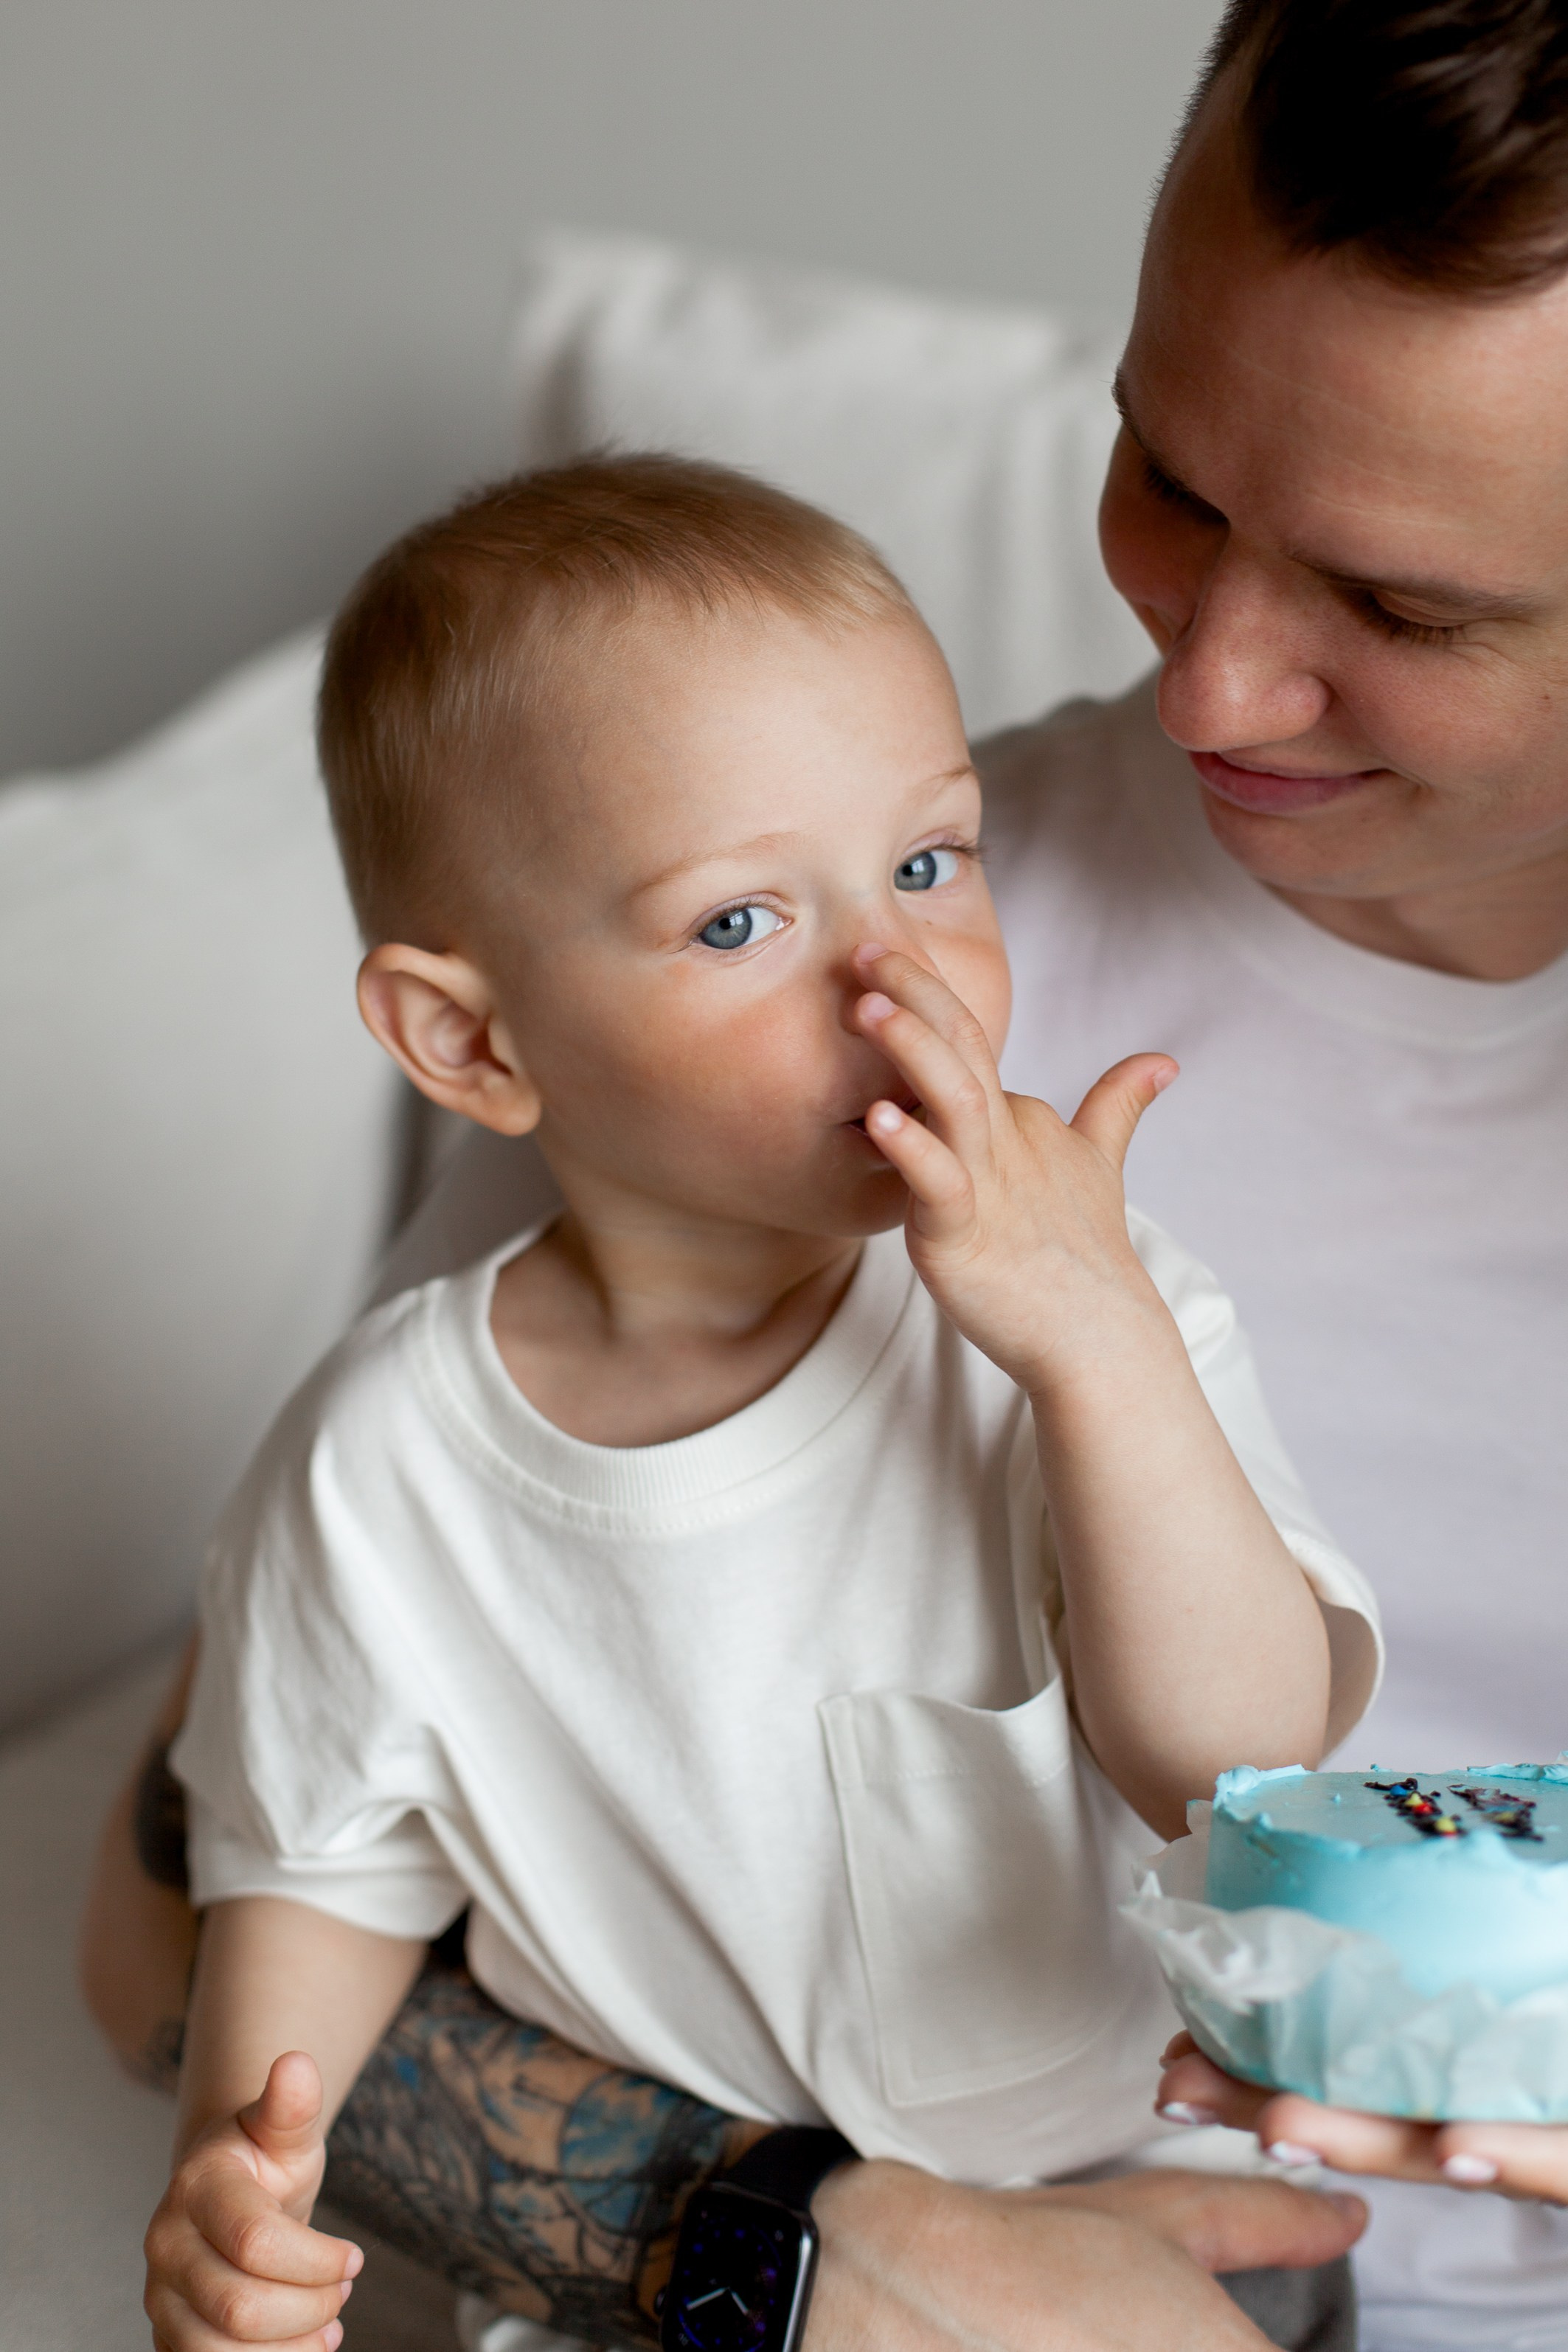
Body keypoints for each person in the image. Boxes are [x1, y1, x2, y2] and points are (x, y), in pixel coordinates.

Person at [83, 0, 1568, 2345]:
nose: (1203, 697)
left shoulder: (1073, 1257)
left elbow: (1242, 1738)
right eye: (1168, 479)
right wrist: (788, 2260)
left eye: (1405, 611)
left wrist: (1093, 1356)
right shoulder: (743, 941)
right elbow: (202, 1882)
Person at [137, 451, 1379, 2352]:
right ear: (470, 1040)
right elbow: (308, 1870)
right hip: (694, 2291)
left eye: (928, 859)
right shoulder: (379, 1467)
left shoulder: (1087, 1316)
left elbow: (1234, 1768)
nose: (900, 977)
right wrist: (242, 2183)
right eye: (740, 923)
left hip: (1150, 2215)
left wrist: (1096, 1357)